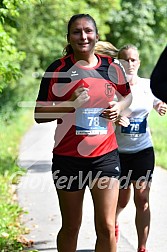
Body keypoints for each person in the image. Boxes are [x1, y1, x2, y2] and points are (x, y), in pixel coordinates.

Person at [34, 14, 132, 252]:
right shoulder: (58, 69)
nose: (83, 36)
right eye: (76, 32)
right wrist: (70, 104)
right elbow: (39, 114)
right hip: (68, 158)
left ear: (96, 36)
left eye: (88, 31)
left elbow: (127, 96)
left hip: (105, 156)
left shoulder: (112, 67)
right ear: (69, 37)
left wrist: (118, 107)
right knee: (71, 227)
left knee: (107, 227)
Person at [114, 44, 167, 252]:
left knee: (142, 199)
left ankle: (142, 247)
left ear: (139, 62)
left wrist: (160, 105)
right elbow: (102, 114)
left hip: (143, 151)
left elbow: (156, 101)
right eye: (125, 60)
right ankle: (114, 222)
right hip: (118, 153)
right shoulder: (113, 87)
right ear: (118, 63)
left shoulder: (147, 85)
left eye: (133, 60)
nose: (129, 63)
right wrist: (115, 117)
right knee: (122, 199)